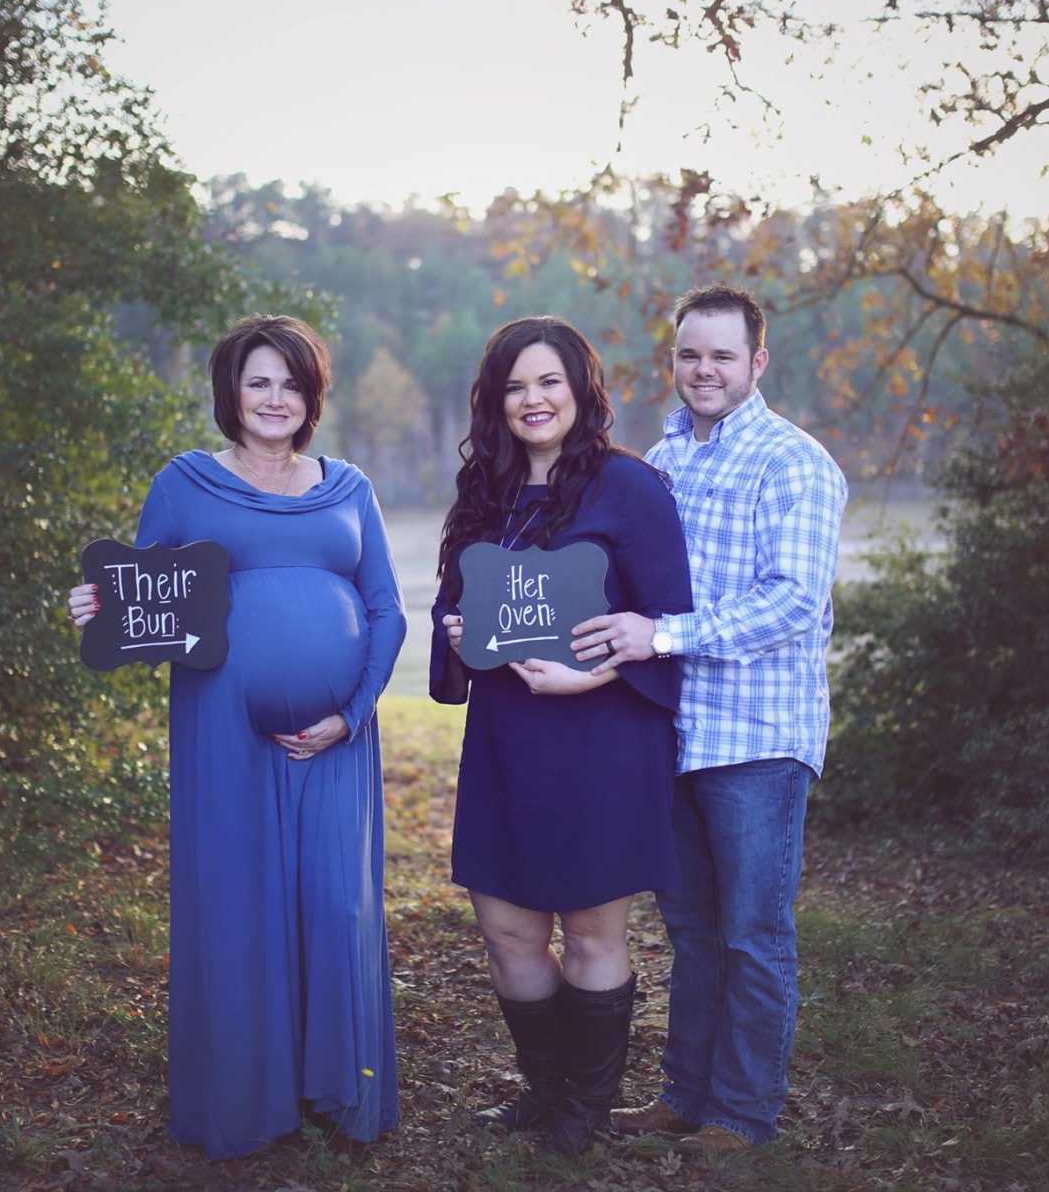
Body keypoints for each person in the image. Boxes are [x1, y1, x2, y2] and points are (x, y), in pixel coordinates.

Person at [67, 315, 405, 1158]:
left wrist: (352, 713)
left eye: (292, 382)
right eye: (259, 381)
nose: (276, 398)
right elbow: (145, 597)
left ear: (312, 396)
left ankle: (338, 1088)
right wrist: (98, 609)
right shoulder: (185, 484)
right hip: (221, 727)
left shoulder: (348, 486)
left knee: (338, 903)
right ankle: (246, 1100)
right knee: (238, 901)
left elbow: (388, 610)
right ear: (231, 391)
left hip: (338, 737)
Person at [571, 285, 848, 1152]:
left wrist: (664, 635)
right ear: (674, 359)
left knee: (753, 933)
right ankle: (684, 1097)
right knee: (691, 932)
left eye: (723, 355)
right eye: (691, 354)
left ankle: (742, 1114)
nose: (704, 369)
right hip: (676, 733)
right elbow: (628, 586)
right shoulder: (662, 462)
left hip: (758, 740)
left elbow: (792, 602)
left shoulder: (794, 463)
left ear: (757, 363)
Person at [429, 316, 693, 1155]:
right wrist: (458, 630)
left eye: (549, 382)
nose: (533, 400)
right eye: (515, 386)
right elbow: (451, 610)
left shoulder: (631, 489)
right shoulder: (486, 495)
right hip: (507, 739)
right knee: (506, 928)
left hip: (601, 741)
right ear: (494, 401)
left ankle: (585, 1106)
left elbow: (669, 622)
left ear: (582, 389)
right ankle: (542, 1090)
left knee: (589, 932)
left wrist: (598, 671)